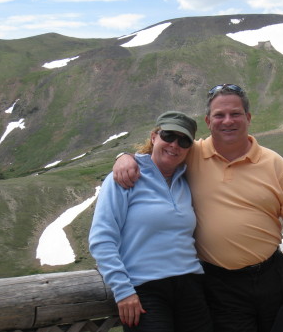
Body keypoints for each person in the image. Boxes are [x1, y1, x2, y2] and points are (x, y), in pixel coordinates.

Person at [113, 84, 283, 332]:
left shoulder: (276, 165)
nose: (227, 121)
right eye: (220, 115)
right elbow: (160, 152)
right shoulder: (192, 152)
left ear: (248, 118)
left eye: (235, 114)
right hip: (220, 283)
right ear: (209, 121)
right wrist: (125, 157)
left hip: (271, 275)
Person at [89, 111, 213, 332]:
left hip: (191, 286)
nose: (174, 145)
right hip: (145, 290)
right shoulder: (124, 178)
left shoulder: (187, 180)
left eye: (183, 140)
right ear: (154, 136)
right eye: (168, 136)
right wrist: (123, 290)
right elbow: (102, 239)